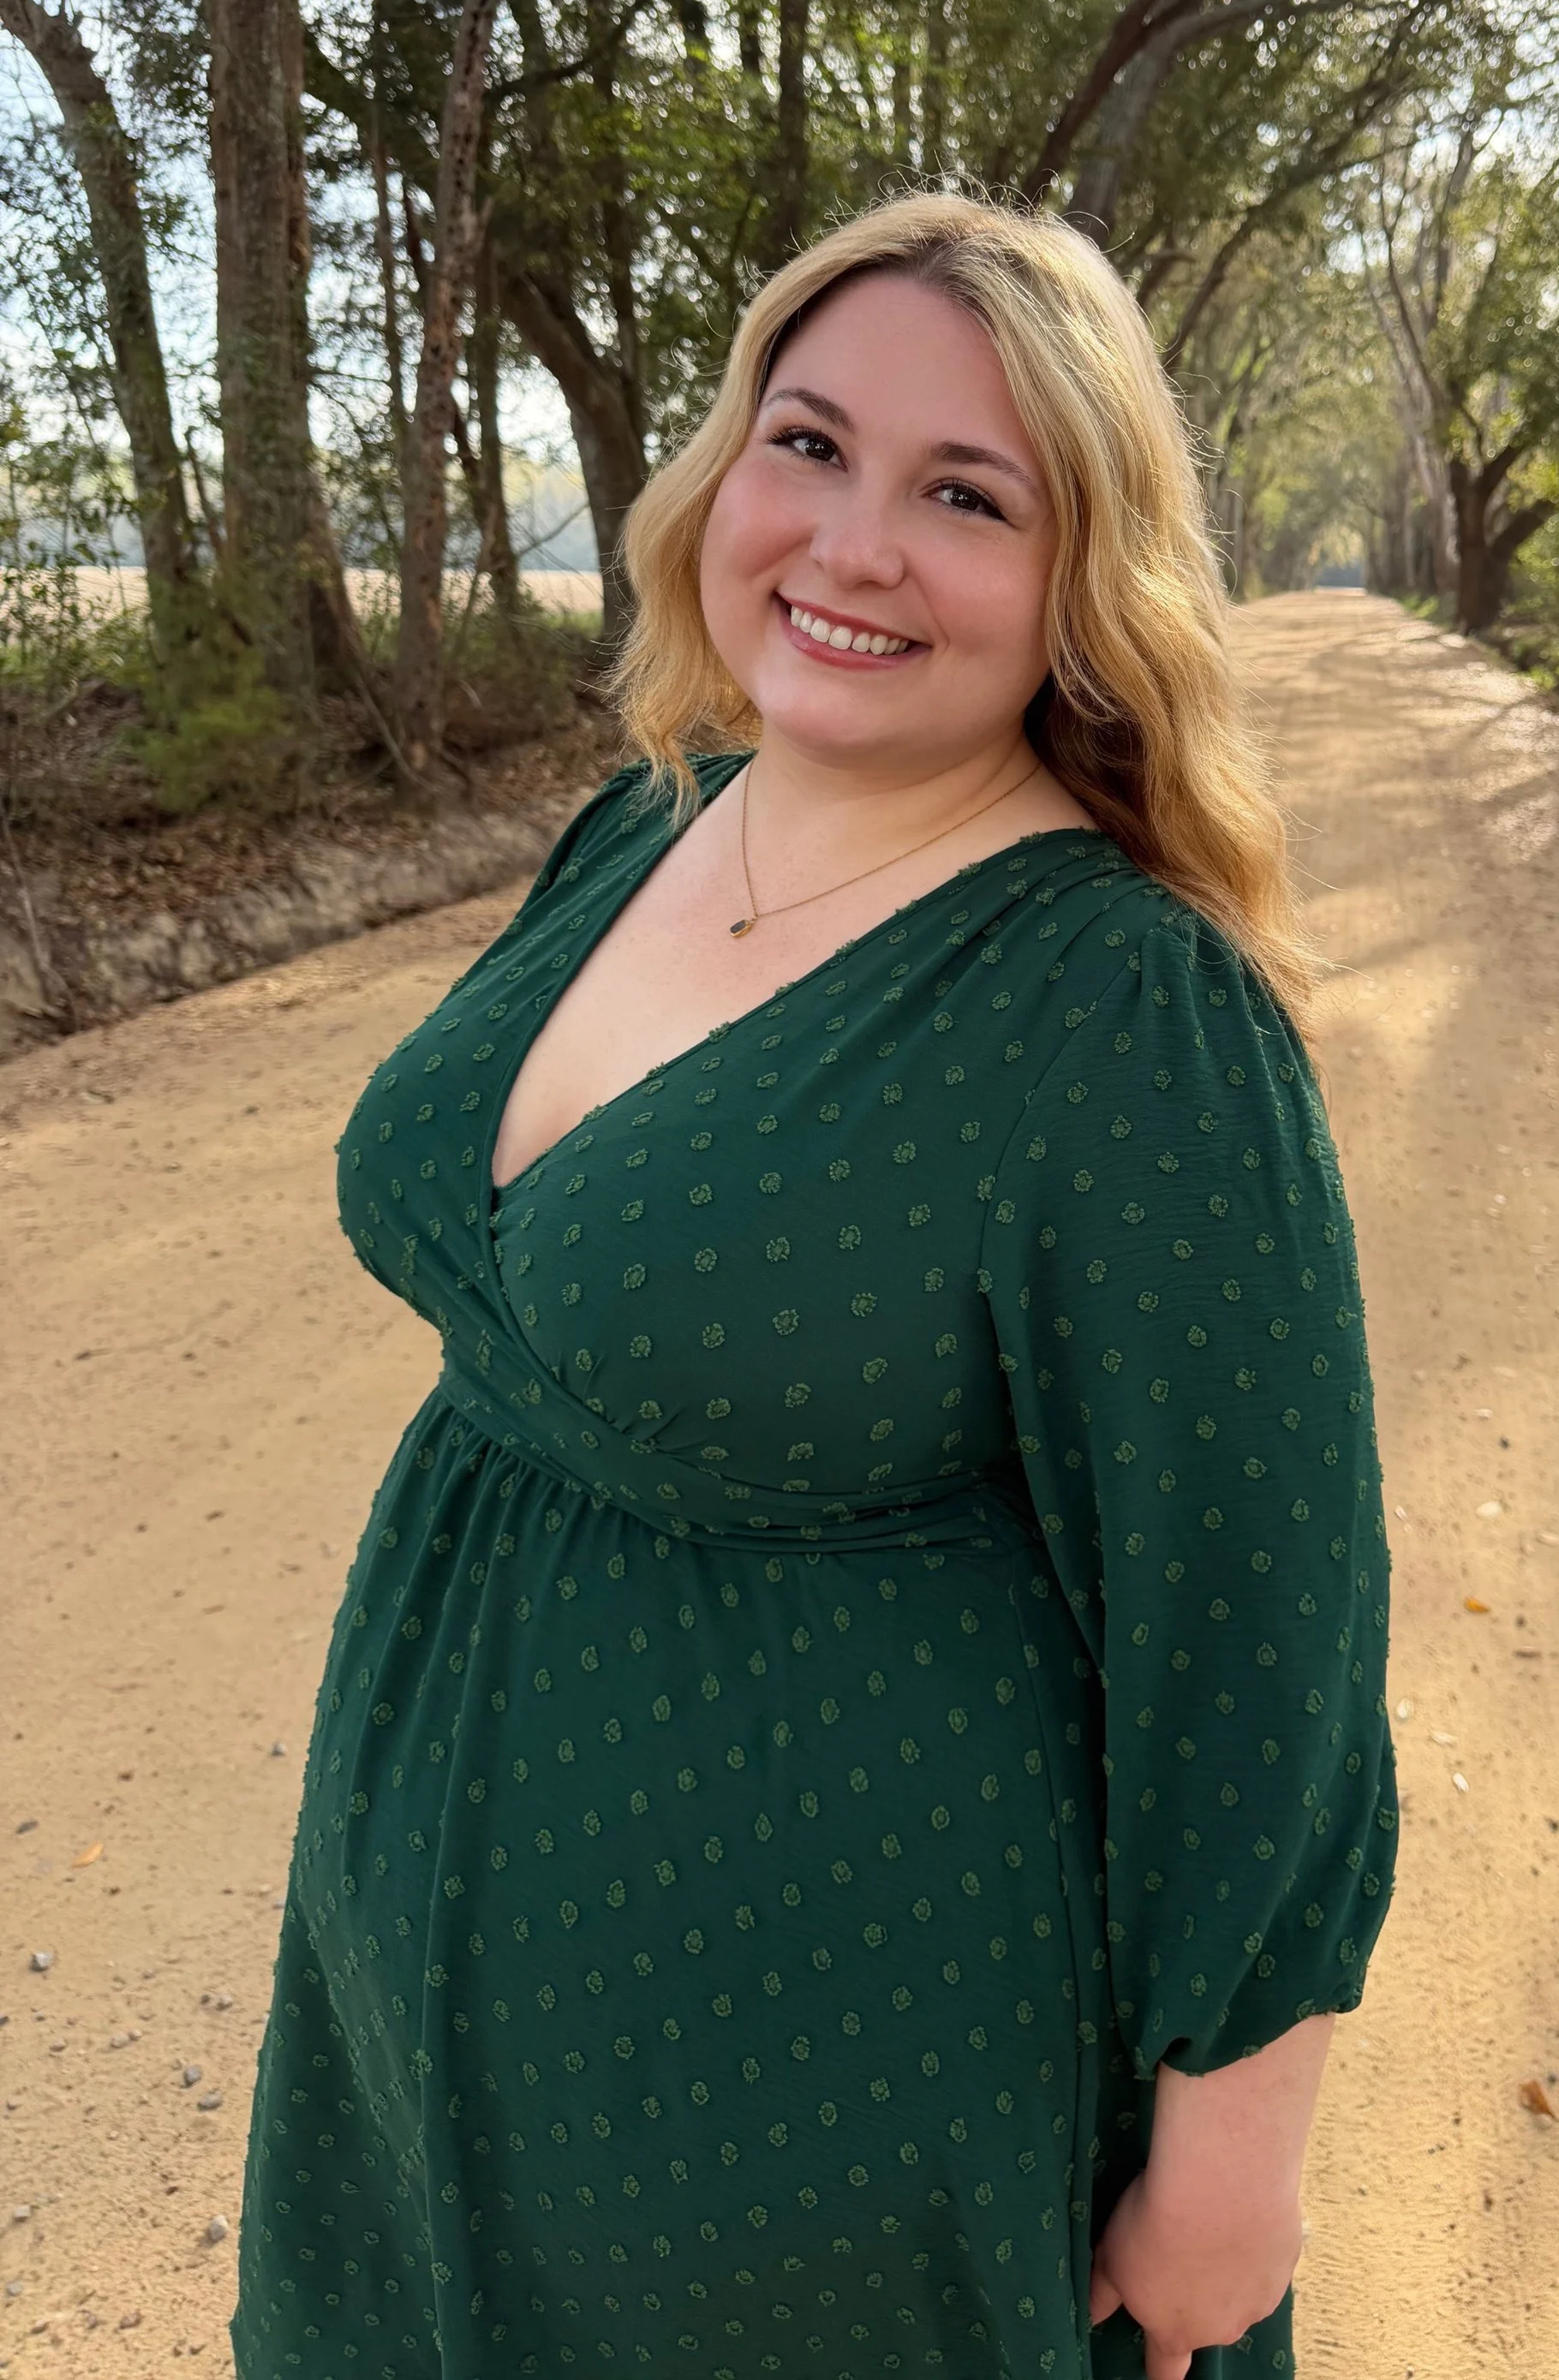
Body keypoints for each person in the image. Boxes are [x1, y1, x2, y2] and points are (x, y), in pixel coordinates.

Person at [231, 192, 1398, 2380]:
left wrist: (1228, 2171)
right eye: (807, 443)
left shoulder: (1121, 1009)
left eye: (965, 494)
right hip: (414, 2027)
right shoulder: (646, 817)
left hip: (817, 2101)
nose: (852, 543)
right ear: (717, 475)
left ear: (1083, 585)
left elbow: (1264, 1644)